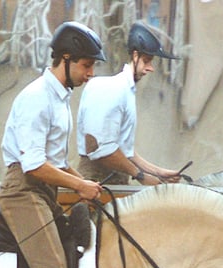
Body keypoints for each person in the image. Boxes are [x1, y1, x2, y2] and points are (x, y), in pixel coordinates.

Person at [0, 21, 106, 268]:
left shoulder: (61, 101)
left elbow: (57, 163)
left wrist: (84, 185)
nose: (90, 74)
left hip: (44, 190)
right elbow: (33, 165)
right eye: (87, 66)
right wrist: (78, 185)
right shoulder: (36, 98)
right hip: (22, 189)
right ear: (66, 59)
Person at [76, 21, 182, 186]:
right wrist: (140, 176)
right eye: (146, 61)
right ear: (135, 56)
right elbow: (101, 150)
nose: (150, 68)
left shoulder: (126, 91)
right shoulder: (110, 88)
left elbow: (126, 151)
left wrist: (158, 172)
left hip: (117, 177)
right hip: (96, 179)